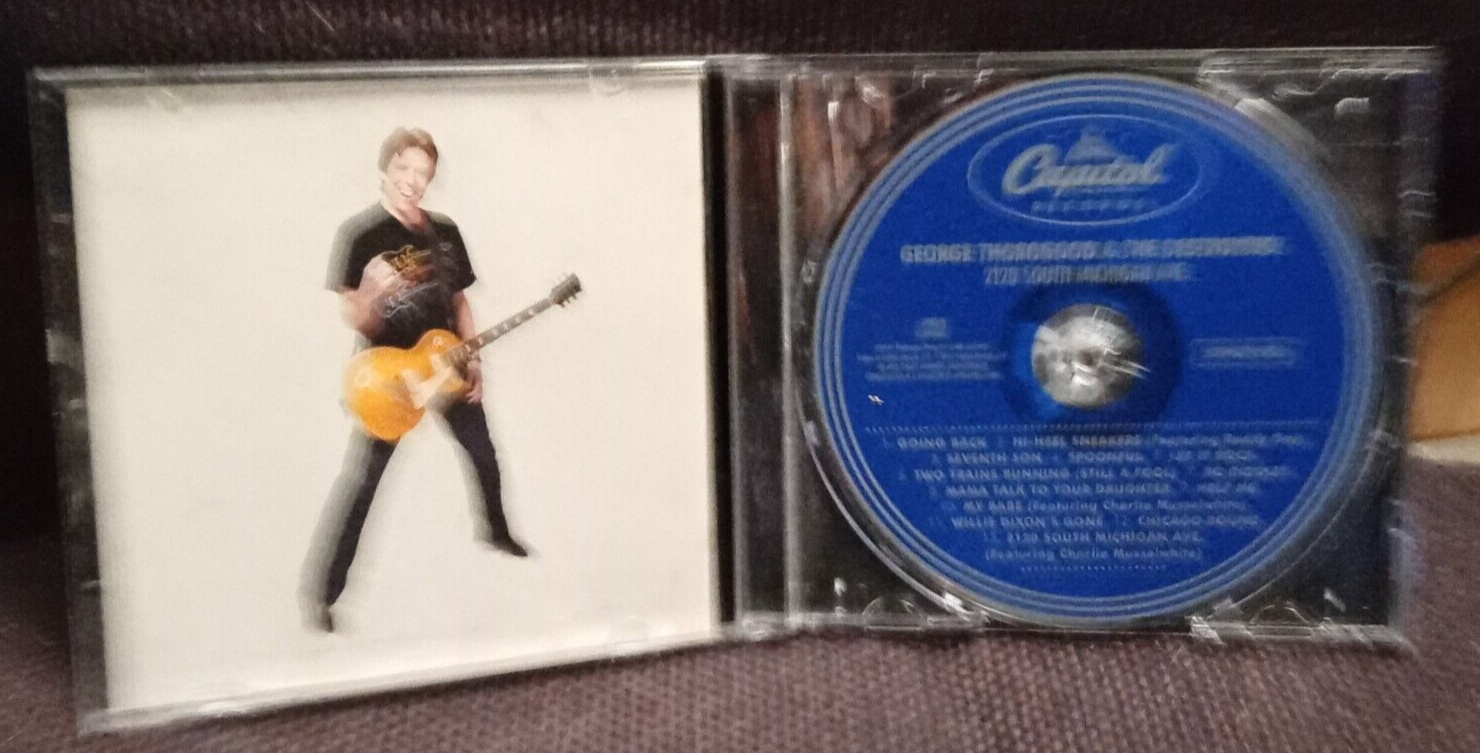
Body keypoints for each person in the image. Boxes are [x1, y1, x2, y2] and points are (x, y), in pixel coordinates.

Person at [306, 127, 529, 633]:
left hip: (445, 360)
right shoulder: (360, 234)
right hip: (390, 377)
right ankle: (324, 595)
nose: (413, 181)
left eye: (423, 173)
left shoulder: (445, 232)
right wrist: (369, 293)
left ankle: (496, 532)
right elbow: (356, 318)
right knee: (363, 482)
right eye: (404, 169)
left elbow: (459, 302)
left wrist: (474, 362)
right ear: (385, 169)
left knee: (484, 452)